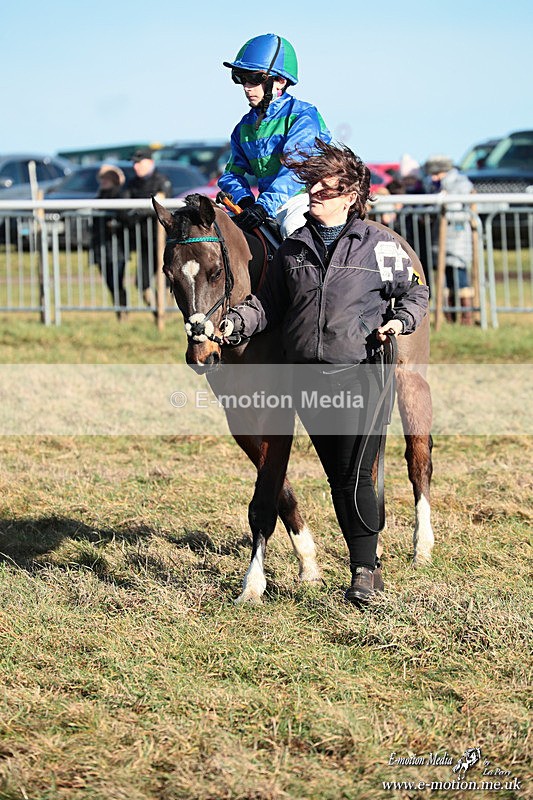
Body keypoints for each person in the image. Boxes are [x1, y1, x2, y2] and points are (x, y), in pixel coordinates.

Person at [220, 140, 429, 605]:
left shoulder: (381, 244)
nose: (313, 191)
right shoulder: (294, 248)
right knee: (339, 477)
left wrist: (400, 320)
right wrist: (233, 323)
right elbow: (267, 306)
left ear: (351, 193)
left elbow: (415, 294)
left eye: (324, 185)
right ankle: (365, 564)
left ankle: (365, 573)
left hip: (360, 374)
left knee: (358, 477)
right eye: (311, 183)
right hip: (305, 379)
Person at [218, 33, 331, 238]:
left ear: (279, 81)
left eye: (254, 79)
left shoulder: (304, 115)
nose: (246, 87)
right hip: (267, 204)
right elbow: (231, 174)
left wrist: (263, 207)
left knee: (292, 228)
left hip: (304, 199)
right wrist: (244, 201)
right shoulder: (242, 128)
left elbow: (296, 170)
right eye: (241, 78)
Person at [424, 155, 475, 324]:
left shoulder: (460, 184)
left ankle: (466, 316)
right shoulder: (437, 186)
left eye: (435, 173)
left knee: (460, 278)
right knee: (445, 279)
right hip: (442, 240)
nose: (432, 177)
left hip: (457, 239)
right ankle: (449, 316)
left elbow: (454, 207)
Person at [124, 148, 171, 306]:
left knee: (167, 279)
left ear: (150, 162)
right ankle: (157, 309)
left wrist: (138, 211)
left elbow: (161, 204)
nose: (135, 166)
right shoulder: (132, 184)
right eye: (134, 163)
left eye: (139, 163)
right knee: (142, 282)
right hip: (143, 240)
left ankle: (166, 312)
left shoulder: (161, 180)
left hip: (164, 241)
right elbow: (124, 209)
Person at [91, 165, 128, 319]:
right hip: (101, 246)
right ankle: (119, 310)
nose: (103, 181)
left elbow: (125, 217)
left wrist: (115, 224)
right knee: (109, 283)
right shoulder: (100, 196)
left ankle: (123, 311)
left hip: (116, 246)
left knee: (116, 281)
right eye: (102, 179)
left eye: (107, 178)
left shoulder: (120, 195)